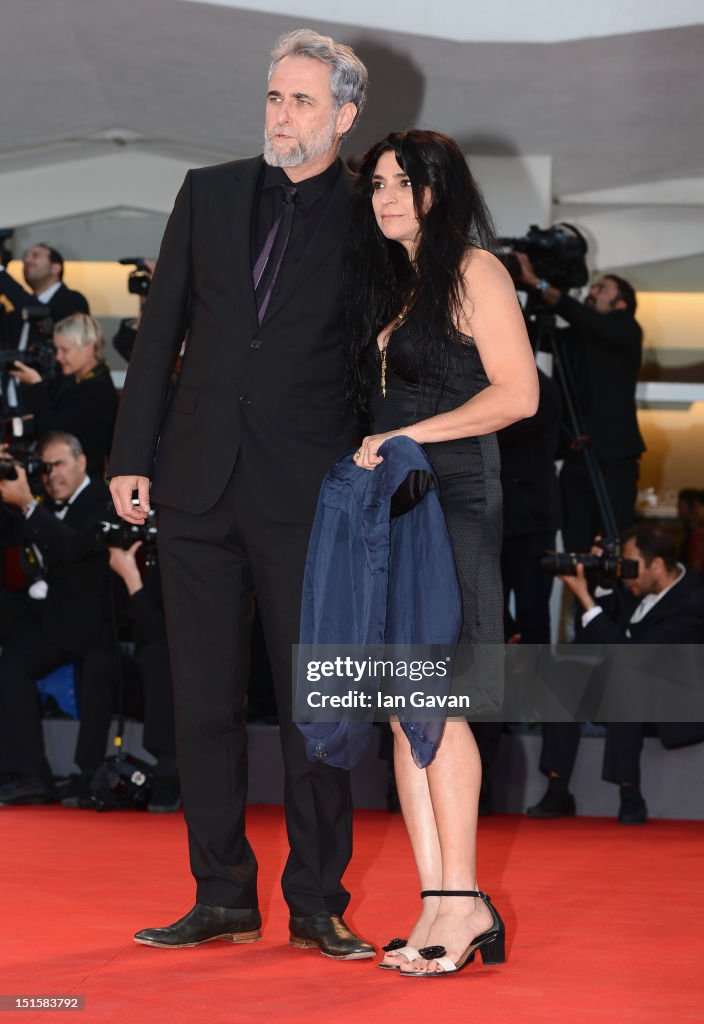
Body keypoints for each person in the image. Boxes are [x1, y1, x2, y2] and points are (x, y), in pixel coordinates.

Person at [107, 30, 373, 959]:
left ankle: (316, 900)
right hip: (194, 482)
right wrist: (129, 453)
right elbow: (163, 327)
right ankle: (221, 892)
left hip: (313, 492)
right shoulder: (209, 191)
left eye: (302, 101)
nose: (280, 115)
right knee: (202, 699)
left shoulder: (372, 212)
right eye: (273, 97)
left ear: (343, 115)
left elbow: (380, 354)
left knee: (317, 707)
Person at [346, 130, 538, 976]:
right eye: (377, 183)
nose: (384, 196)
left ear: (439, 190)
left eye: (401, 183)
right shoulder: (399, 283)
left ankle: (462, 903)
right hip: (396, 502)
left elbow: (518, 394)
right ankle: (440, 903)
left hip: (453, 499)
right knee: (401, 706)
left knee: (441, 702)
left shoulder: (474, 270)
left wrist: (403, 434)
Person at [526, 522, 704, 823]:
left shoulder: (692, 602)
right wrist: (602, 579)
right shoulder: (640, 584)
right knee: (562, 673)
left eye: (630, 564)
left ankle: (630, 793)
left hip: (674, 705)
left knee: (628, 675)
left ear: (657, 565)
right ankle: (557, 789)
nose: (626, 573)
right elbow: (595, 638)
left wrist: (584, 598)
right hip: (628, 694)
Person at [0, 432, 112, 805]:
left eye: (59, 465)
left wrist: (30, 505)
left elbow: (75, 548)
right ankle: (30, 774)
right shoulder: (44, 502)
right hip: (50, 621)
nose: (52, 476)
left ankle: (70, 775)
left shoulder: (103, 501)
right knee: (9, 663)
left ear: (82, 462)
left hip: (93, 624)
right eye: (45, 469)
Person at [515, 257, 644, 552]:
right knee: (575, 543)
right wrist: (514, 291)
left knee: (617, 540)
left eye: (603, 289)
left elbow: (583, 318)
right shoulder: (575, 337)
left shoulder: (626, 329)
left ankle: (615, 598)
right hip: (576, 456)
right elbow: (523, 336)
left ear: (621, 303)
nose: (593, 290)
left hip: (614, 457)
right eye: (594, 286)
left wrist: (538, 282)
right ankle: (582, 597)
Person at [10, 313, 118, 477]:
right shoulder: (74, 378)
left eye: (64, 350)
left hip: (78, 480)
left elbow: (53, 431)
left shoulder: (97, 390)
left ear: (88, 348)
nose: (58, 357)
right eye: (56, 349)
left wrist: (36, 386)